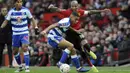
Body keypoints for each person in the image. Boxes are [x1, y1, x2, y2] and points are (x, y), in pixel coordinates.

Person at [48, 0, 110, 72]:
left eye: (75, 6)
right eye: (73, 6)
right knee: (80, 51)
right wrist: (52, 7)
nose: (74, 8)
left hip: (78, 32)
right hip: (70, 35)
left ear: (78, 6)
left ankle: (89, 51)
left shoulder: (80, 11)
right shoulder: (67, 12)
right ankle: (92, 67)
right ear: (70, 6)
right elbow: (58, 10)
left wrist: (102, 10)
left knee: (86, 45)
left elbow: (90, 12)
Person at [0, 0, 38, 72]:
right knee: (15, 51)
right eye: (18, 2)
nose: (20, 3)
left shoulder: (26, 10)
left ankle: (27, 67)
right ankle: (20, 66)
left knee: (25, 47)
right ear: (15, 3)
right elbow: (6, 21)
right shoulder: (11, 12)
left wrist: (36, 27)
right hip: (15, 34)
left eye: (21, 2)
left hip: (24, 32)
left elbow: (32, 19)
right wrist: (1, 28)